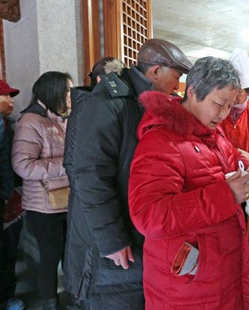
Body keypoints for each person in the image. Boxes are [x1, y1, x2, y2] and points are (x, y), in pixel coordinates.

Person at [66, 39, 193, 310]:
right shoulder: (111, 101)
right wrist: (112, 239)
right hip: (110, 243)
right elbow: (89, 175)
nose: (177, 85)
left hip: (135, 232)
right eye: (176, 76)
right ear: (155, 71)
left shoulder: (145, 102)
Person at [129, 56, 249, 310]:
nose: (223, 114)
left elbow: (224, 163)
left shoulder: (213, 132)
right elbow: (149, 216)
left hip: (218, 271)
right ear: (193, 92)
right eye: (219, 104)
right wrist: (226, 195)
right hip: (186, 282)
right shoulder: (162, 141)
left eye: (230, 106)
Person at [62, 57, 124, 308]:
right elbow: (82, 174)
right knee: (91, 287)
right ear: (102, 80)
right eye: (118, 78)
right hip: (93, 219)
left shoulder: (103, 107)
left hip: (100, 215)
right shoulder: (91, 109)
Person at [11, 72, 73, 310]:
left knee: (70, 252)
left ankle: (71, 295)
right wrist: (66, 164)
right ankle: (50, 303)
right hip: (43, 205)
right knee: (51, 255)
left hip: (66, 199)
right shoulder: (31, 121)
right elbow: (22, 166)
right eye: (67, 90)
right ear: (53, 90)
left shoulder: (60, 119)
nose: (71, 95)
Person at [0, 80, 25, 310]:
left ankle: (7, 296)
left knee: (9, 250)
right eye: (6, 96)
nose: (11, 101)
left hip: (11, 200)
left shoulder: (10, 125)